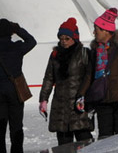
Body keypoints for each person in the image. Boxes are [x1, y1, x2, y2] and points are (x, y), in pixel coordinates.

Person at [77, 8, 118, 138]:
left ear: (106, 30)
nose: (94, 32)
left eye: (96, 29)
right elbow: (89, 75)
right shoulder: (95, 51)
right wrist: (81, 94)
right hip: (102, 100)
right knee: (104, 138)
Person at [38, 17, 94, 145]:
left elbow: (89, 78)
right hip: (61, 106)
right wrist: (43, 99)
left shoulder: (84, 54)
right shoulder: (55, 55)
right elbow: (49, 78)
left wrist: (88, 98)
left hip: (79, 105)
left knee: (85, 141)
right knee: (63, 144)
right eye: (61, 38)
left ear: (75, 38)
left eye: (67, 39)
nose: (63, 42)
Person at [0, 19, 36, 153]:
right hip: (15, 92)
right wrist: (18, 29)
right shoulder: (18, 47)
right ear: (10, 32)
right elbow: (32, 41)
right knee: (16, 126)